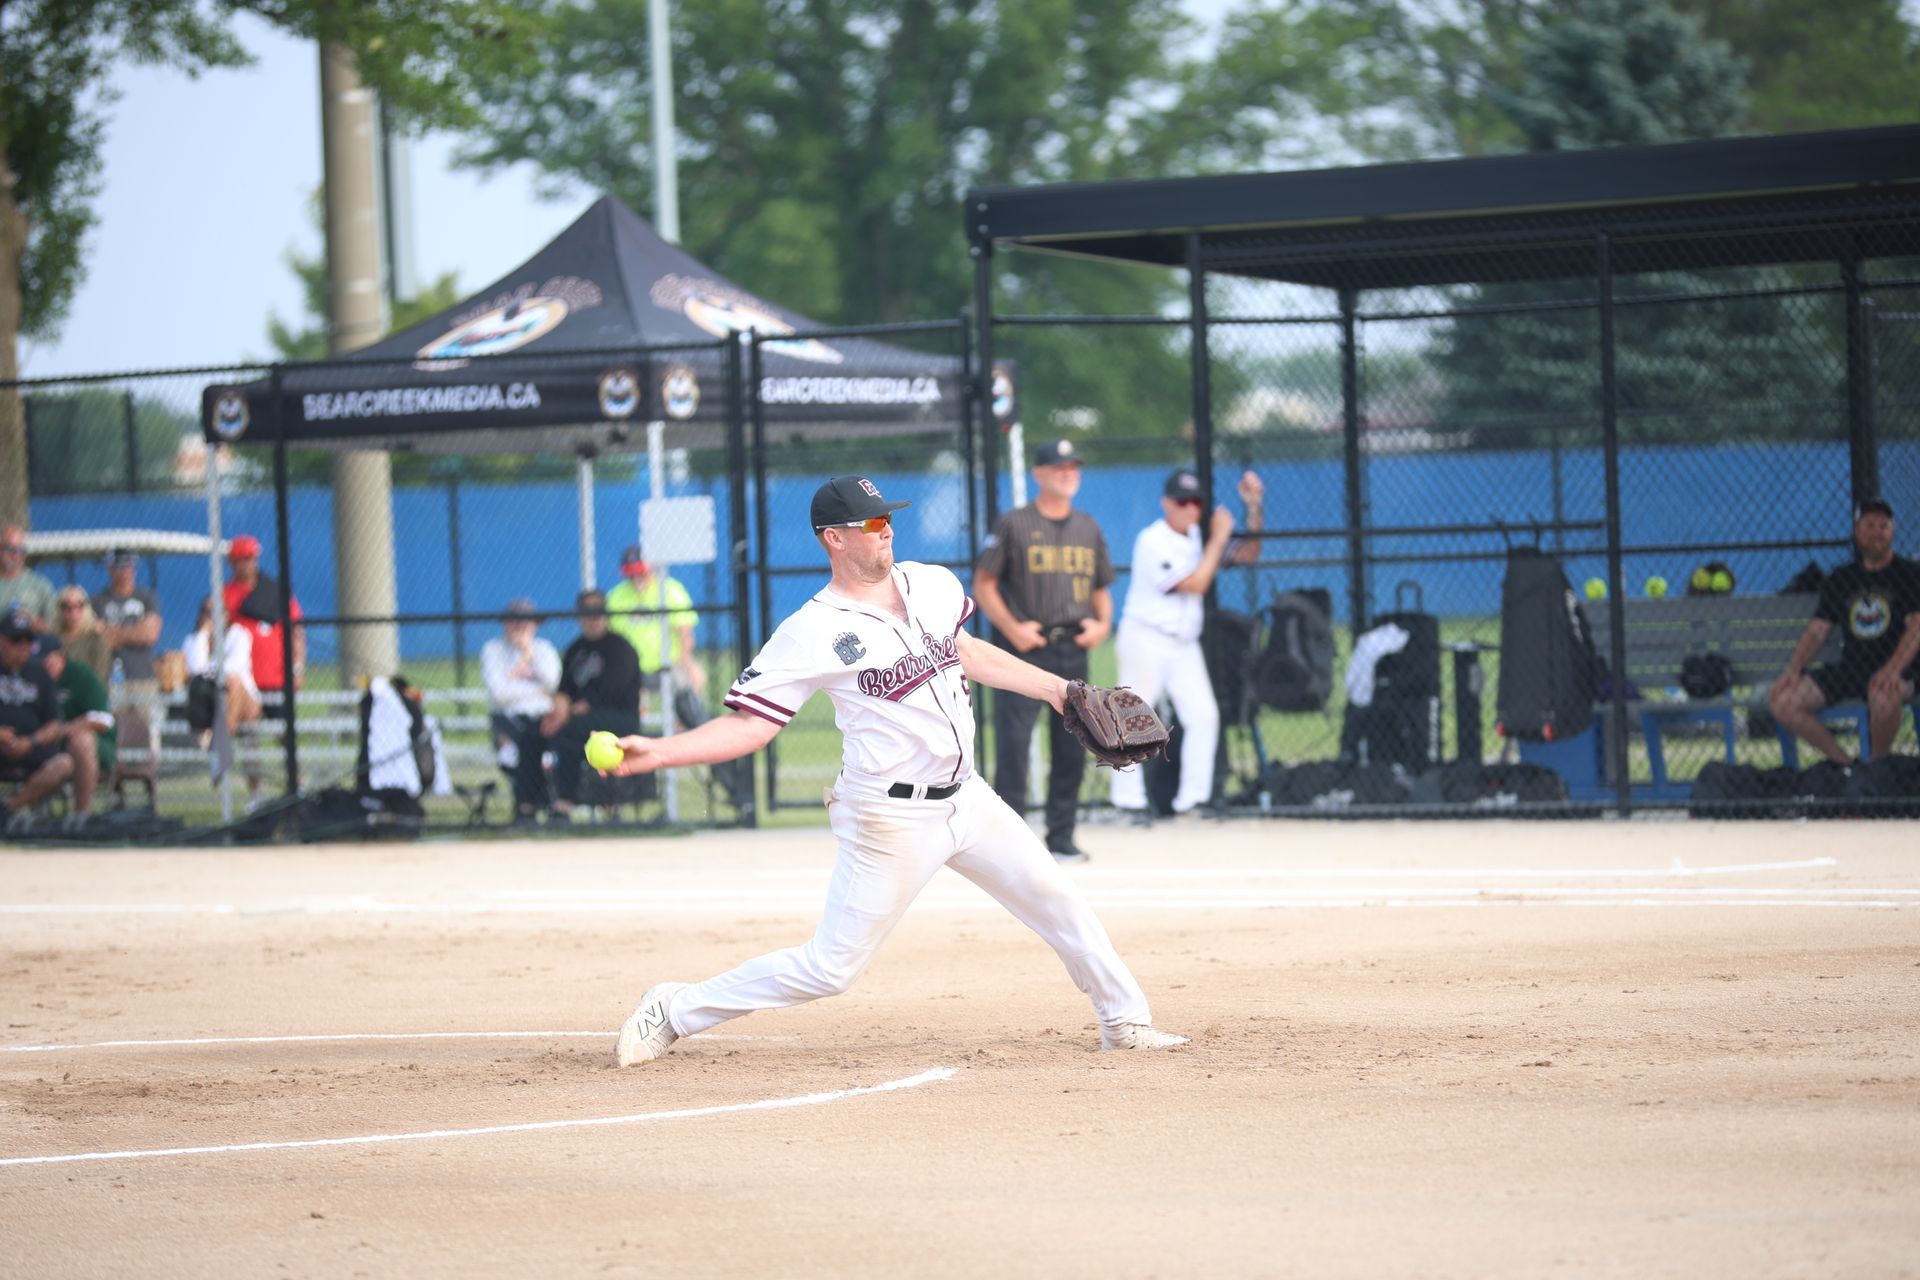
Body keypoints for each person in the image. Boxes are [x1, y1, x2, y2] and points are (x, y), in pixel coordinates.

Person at [598, 474, 1186, 1067]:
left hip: (969, 797)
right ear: (833, 538)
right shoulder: (810, 630)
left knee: (1058, 900)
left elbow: (965, 650)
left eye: (888, 518)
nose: (887, 531)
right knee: (830, 969)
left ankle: (1124, 1022)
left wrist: (1058, 690)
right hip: (888, 816)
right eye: (873, 522)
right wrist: (661, 751)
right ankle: (674, 1008)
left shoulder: (930, 582)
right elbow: (751, 725)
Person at [973, 437, 1114, 863]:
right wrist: (1013, 629)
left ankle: (1062, 837)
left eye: (1073, 467)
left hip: (1072, 648)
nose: (1068, 473)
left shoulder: (1088, 527)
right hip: (1025, 649)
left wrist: (1102, 625)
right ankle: (1010, 843)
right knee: (1014, 745)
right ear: (1038, 474)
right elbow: (984, 584)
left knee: (1072, 746)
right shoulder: (1014, 524)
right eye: (1059, 467)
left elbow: (1101, 588)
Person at [1111, 467, 1264, 822]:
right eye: (1182, 502)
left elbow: (1249, 553)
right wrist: (1217, 541)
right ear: (1166, 503)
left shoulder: (1199, 536)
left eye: (1196, 501)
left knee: (1203, 716)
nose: (1190, 508)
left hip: (1183, 644)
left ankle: (1192, 801)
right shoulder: (1153, 540)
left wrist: (1253, 507)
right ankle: (1127, 801)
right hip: (1146, 637)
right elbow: (1195, 584)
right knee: (1134, 717)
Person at [1768, 497, 1920, 764]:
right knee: (1783, 701)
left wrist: (1892, 670)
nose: (1877, 532)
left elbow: (1916, 628)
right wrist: (1794, 670)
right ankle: (1846, 766)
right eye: (1870, 525)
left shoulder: (1909, 574)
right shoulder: (1841, 578)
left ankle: (1875, 766)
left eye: (1884, 526)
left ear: (1893, 532)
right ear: (1857, 532)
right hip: (1852, 669)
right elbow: (1817, 632)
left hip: (1900, 670)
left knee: (1884, 697)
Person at [539, 588, 643, 818]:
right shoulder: (576, 649)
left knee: (567, 733)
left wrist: (568, 714)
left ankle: (564, 803)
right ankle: (528, 806)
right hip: (577, 718)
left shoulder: (620, 647)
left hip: (617, 717)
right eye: (587, 613)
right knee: (534, 733)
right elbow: (564, 690)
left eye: (597, 612)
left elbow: (608, 692)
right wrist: (557, 713)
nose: (593, 618)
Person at [482, 598, 562, 823]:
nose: (519, 627)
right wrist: (539, 692)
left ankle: (535, 806)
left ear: (535, 624)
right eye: (514, 622)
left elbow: (555, 685)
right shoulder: (493, 650)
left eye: (525, 622)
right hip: (509, 720)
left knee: (546, 750)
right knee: (517, 752)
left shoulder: (544, 650)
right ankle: (527, 807)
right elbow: (499, 694)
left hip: (544, 719)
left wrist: (529, 653)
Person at [606, 543, 707, 716]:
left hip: (669, 665)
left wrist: (685, 662)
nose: (637, 579)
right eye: (632, 574)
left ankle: (689, 722)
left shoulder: (669, 590)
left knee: (693, 677)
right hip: (630, 669)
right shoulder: (616, 596)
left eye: (641, 573)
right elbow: (610, 636)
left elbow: (685, 634)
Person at [0, 608, 74, 834]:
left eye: (28, 641)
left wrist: (30, 741)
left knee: (63, 763)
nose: (23, 646)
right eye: (16, 640)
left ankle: (7, 809)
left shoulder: (39, 674)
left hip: (30, 748)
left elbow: (55, 724)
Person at [36, 640, 116, 831]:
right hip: (50, 747)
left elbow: (104, 719)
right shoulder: (34, 677)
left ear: (61, 657)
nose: (44, 666)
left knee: (81, 740)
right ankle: (18, 812)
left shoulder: (80, 676)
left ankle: (82, 817)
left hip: (96, 746)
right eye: (39, 662)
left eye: (48, 661)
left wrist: (68, 728)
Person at [223, 534, 306, 703]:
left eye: (250, 558)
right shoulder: (224, 594)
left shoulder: (274, 591)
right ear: (232, 562)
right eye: (241, 559)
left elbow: (296, 631)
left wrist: (297, 669)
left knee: (282, 719)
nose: (247, 565)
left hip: (277, 677)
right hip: (243, 680)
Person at [183, 594, 262, 745]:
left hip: (243, 701)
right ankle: (217, 739)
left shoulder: (238, 635)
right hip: (209, 700)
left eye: (215, 611)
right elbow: (196, 669)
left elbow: (233, 667)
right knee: (201, 685)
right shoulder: (193, 640)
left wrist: (207, 672)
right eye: (207, 612)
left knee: (233, 681)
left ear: (225, 615)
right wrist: (204, 634)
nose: (211, 617)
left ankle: (221, 739)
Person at [92, 548, 163, 707]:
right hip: (108, 679)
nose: (125, 571)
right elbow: (97, 636)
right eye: (119, 566)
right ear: (110, 568)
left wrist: (110, 630)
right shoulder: (98, 601)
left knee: (146, 722)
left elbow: (150, 634)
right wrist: (136, 631)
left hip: (142, 679)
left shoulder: (147, 598)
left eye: (129, 566)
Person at [52, 586, 113, 685]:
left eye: (78, 606)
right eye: (67, 606)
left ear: (86, 608)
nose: (73, 612)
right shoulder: (51, 641)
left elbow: (99, 679)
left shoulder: (96, 641)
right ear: (60, 609)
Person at [0, 525, 55, 634]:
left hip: (30, 641)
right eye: (10, 549)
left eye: (20, 550)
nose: (15, 555)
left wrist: (31, 622)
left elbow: (54, 625)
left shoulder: (40, 585)